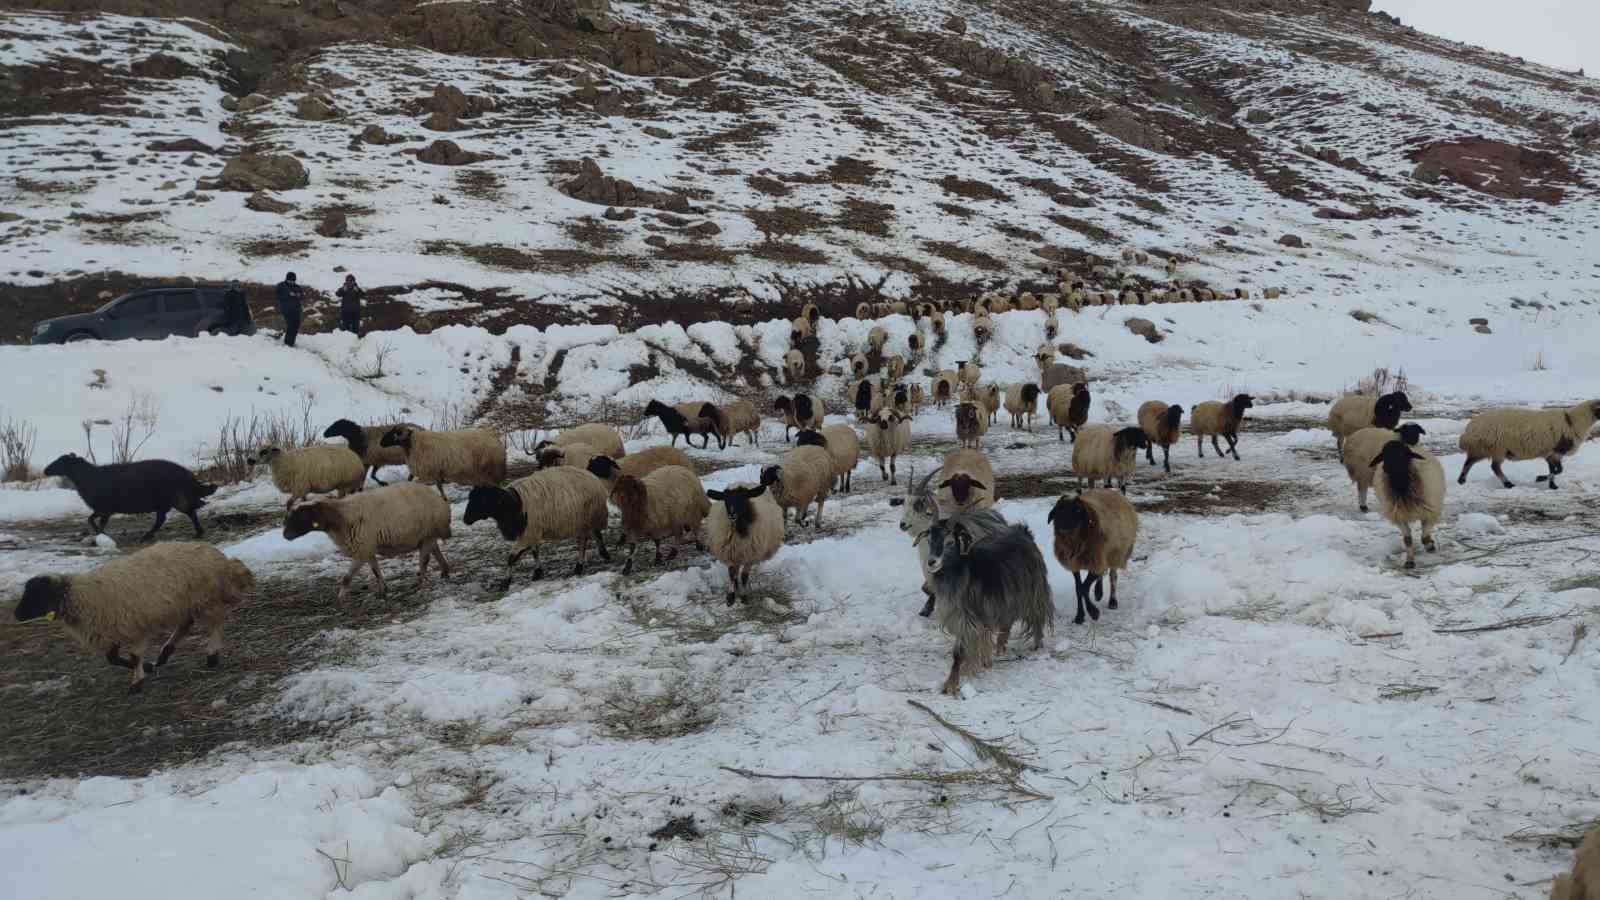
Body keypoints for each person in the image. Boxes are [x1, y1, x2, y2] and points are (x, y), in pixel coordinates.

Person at [276, 271, 303, 347]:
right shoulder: (281, 285)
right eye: (290, 280)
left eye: (293, 281)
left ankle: (291, 342)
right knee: (291, 325)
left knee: (296, 324)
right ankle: (288, 343)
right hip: (286, 309)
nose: (291, 282)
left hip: (296, 309)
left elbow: (302, 296)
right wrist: (289, 294)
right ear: (287, 279)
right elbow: (279, 295)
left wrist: (298, 295)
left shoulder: (297, 287)